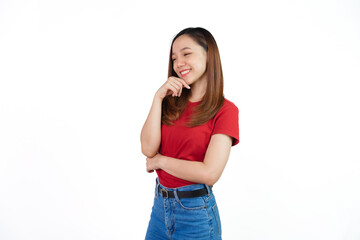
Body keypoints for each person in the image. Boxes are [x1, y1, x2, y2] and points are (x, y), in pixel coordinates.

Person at [141, 27, 239, 240]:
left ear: (208, 55)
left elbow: (210, 173)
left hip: (196, 215)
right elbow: (147, 149)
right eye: (174, 58)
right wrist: (157, 98)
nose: (178, 63)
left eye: (186, 54)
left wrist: (161, 161)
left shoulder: (225, 110)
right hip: (160, 208)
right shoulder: (170, 102)